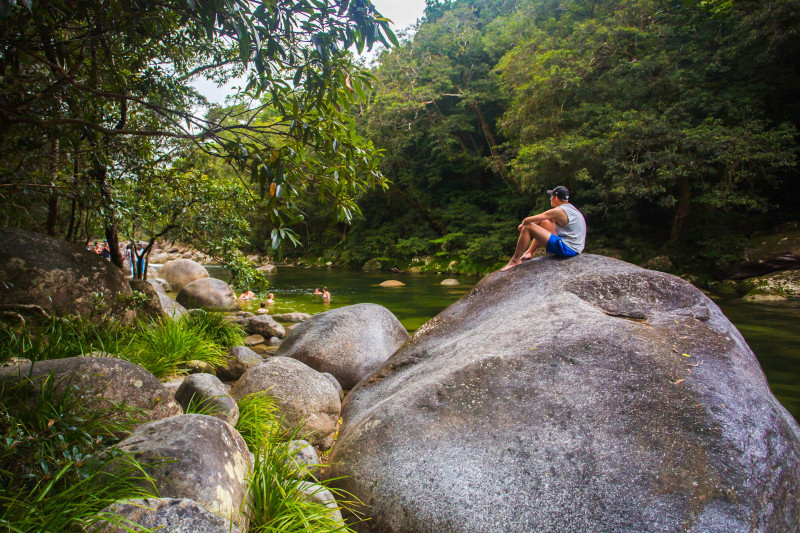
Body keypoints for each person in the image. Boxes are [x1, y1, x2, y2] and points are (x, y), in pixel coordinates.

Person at [501, 186, 586, 272]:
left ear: (555, 198)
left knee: (528, 227)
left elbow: (527, 220)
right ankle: (528, 252)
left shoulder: (558, 211)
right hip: (575, 247)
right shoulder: (570, 209)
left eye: (551, 196)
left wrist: (523, 226)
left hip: (568, 249)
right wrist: (532, 224)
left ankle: (515, 260)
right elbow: (541, 220)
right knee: (544, 222)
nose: (550, 199)